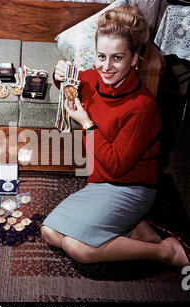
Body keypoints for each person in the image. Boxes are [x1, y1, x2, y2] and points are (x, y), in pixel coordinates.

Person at [41, 5, 190, 267]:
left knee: (79, 247)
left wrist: (87, 123)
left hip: (131, 187)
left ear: (134, 59)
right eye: (101, 56)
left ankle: (167, 252)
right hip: (99, 182)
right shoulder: (93, 79)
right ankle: (136, 228)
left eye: (117, 58)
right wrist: (59, 75)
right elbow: (73, 84)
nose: (106, 67)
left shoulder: (142, 107)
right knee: (49, 233)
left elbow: (115, 167)